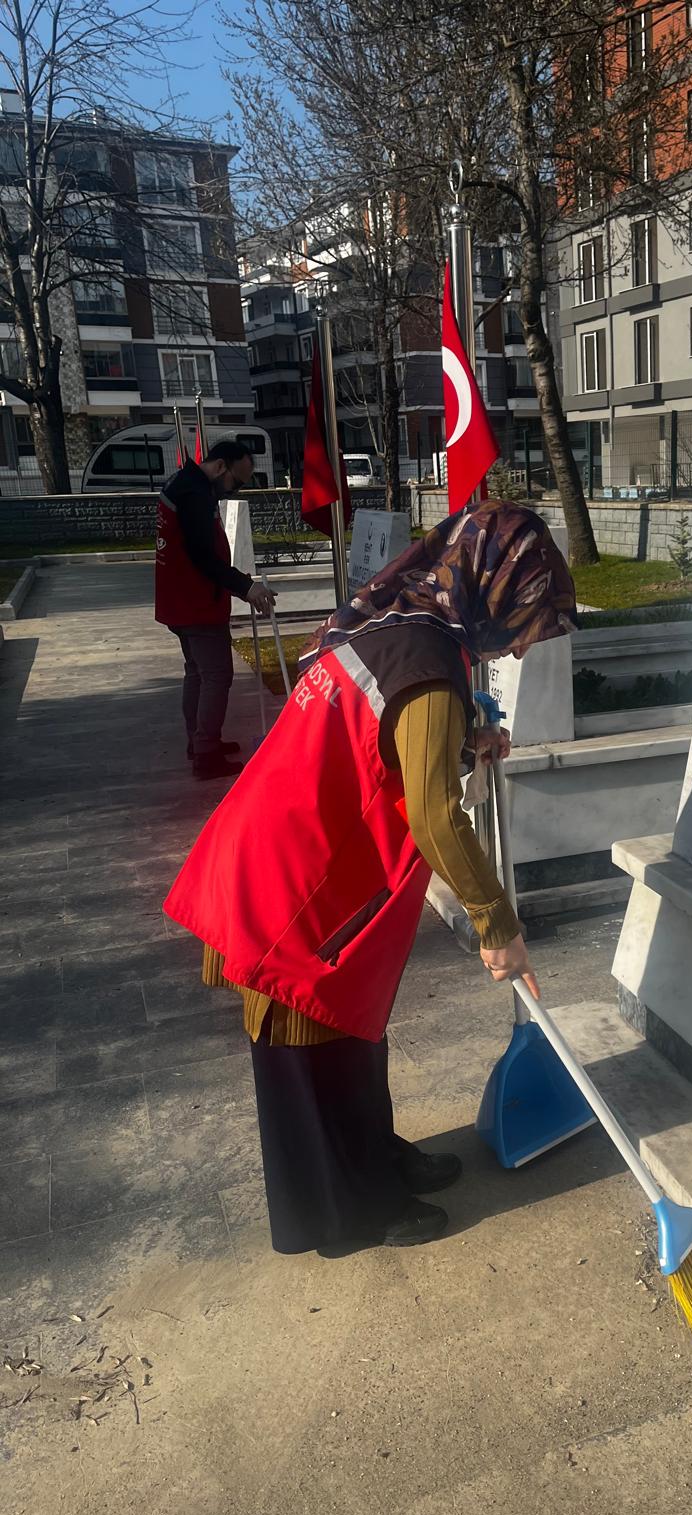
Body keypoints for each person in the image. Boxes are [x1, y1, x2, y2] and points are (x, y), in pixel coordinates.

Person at [163, 501, 578, 1256]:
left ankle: (376, 1157)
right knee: (305, 1048)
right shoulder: (427, 663)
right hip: (291, 888)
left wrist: (463, 738)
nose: (519, 647)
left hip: (295, 860)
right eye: (525, 620)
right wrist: (499, 927)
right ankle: (343, 1211)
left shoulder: (402, 626)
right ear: (496, 585)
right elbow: (434, 815)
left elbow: (383, 744)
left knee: (353, 1033)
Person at [155, 438, 276, 780]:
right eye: (236, 482)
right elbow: (203, 558)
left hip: (180, 600)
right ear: (221, 466)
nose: (234, 491)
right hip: (195, 603)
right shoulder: (194, 494)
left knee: (196, 671)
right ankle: (205, 753)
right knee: (216, 676)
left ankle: (200, 741)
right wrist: (246, 587)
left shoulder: (186, 483)